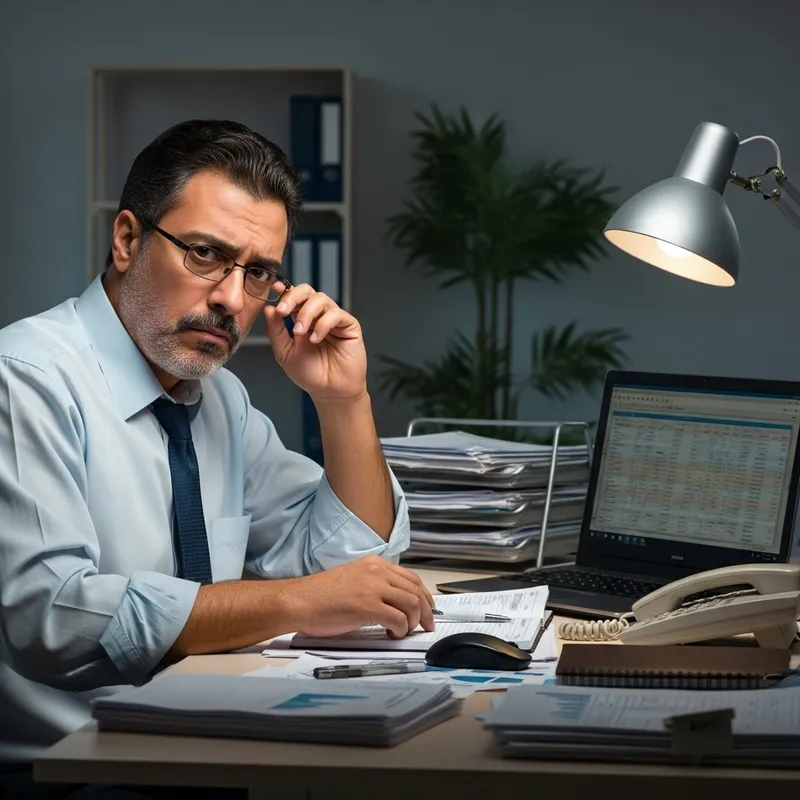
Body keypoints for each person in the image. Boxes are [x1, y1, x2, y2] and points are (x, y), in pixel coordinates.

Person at [0, 119, 435, 797]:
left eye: (257, 272)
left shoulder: (218, 399)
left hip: (206, 749)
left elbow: (350, 567)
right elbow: (53, 618)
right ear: (126, 240)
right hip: (74, 774)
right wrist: (292, 601)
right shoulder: (25, 378)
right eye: (205, 254)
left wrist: (343, 401)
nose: (232, 298)